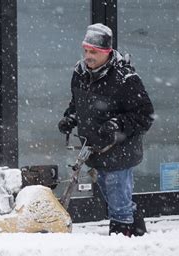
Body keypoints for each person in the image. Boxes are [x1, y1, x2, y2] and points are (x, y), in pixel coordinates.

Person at [58, 23, 154, 237]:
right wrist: (71, 117)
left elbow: (145, 115)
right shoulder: (80, 73)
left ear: (107, 52)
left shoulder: (125, 78)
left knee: (118, 205)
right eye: (86, 50)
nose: (88, 56)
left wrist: (118, 124)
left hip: (120, 152)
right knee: (115, 198)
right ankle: (139, 236)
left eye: (94, 52)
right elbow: (78, 103)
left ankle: (121, 241)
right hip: (96, 150)